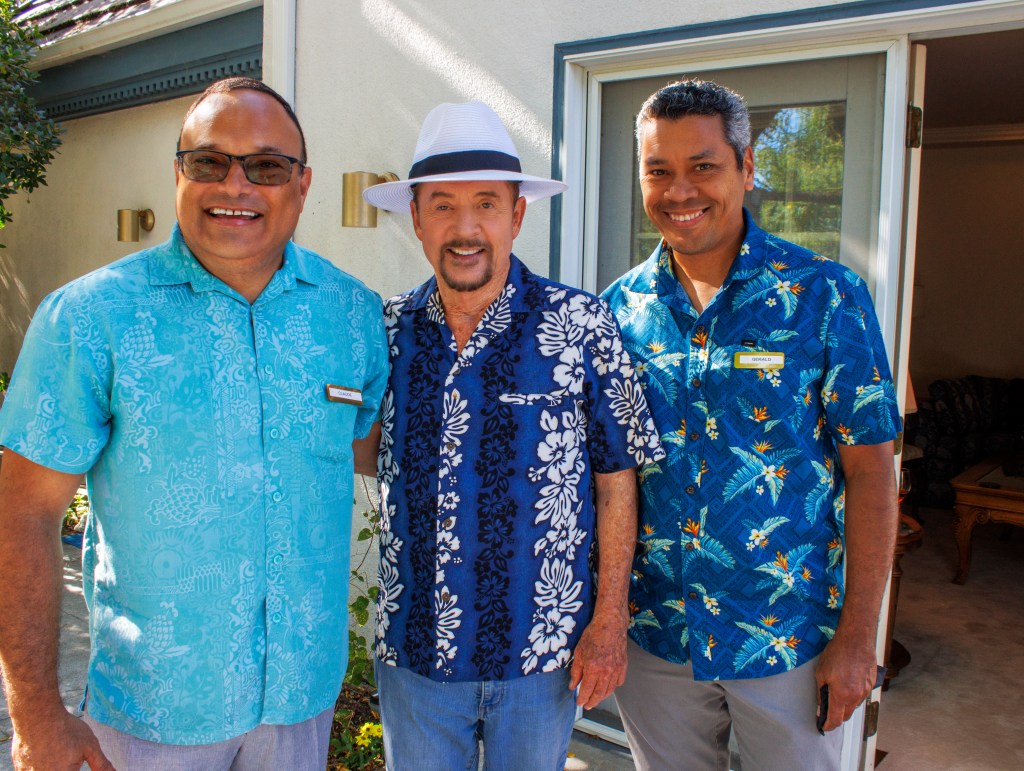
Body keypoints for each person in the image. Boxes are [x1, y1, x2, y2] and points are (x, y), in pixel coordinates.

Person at [0, 77, 388, 770]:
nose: (235, 185)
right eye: (210, 162)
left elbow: (370, 450)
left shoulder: (352, 314)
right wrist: (34, 715)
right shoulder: (89, 319)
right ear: (178, 172)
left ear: (301, 185)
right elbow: (23, 513)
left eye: (265, 166)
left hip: (301, 703)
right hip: (150, 717)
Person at [601, 79, 901, 770]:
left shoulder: (825, 295)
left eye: (703, 166)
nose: (680, 191)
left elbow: (872, 471)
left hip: (789, 641)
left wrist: (858, 635)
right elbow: (606, 476)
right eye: (659, 171)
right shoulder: (618, 311)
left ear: (746, 167)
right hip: (659, 638)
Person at [355, 101, 663, 770]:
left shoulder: (582, 325)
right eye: (442, 205)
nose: (466, 229)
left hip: (541, 656)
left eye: (487, 205)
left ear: (517, 214)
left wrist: (609, 621)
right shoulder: (386, 333)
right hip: (417, 655)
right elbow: (360, 454)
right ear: (415, 217)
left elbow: (617, 483)